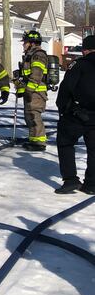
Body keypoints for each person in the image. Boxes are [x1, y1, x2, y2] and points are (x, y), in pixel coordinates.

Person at [55, 35, 95, 194]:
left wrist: (63, 108)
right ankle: (92, 184)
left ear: (84, 50)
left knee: (65, 142)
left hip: (77, 114)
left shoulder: (78, 65)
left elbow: (66, 89)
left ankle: (70, 179)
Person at [14, 30, 49, 151]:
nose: (23, 44)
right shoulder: (30, 55)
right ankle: (34, 141)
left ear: (32, 43)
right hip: (32, 92)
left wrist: (28, 90)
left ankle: (39, 143)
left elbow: (36, 75)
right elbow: (28, 76)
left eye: (25, 42)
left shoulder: (38, 55)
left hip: (36, 93)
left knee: (34, 116)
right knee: (30, 117)